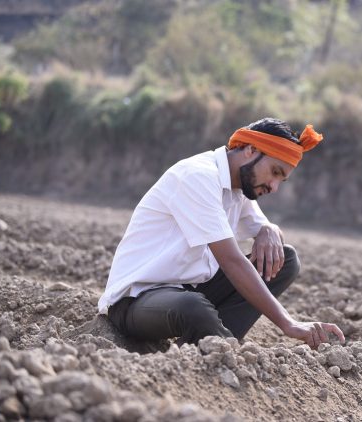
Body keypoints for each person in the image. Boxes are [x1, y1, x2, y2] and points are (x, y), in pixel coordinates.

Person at [98, 117, 345, 349]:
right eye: (275, 172)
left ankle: (207, 348)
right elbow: (231, 261)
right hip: (136, 301)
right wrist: (288, 323)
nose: (274, 186)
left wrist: (269, 229)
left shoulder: (239, 188)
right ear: (250, 150)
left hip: (185, 291)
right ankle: (225, 351)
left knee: (286, 260)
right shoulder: (199, 176)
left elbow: (265, 232)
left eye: (282, 180)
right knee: (193, 307)